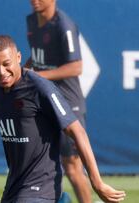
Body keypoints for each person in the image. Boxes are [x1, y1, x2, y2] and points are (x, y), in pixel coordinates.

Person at [0, 35, 125, 203]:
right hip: (14, 187)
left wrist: (96, 181)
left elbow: (76, 130)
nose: (2, 72)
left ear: (19, 57)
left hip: (41, 187)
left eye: (6, 64)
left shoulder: (40, 88)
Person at [25, 0, 91, 202]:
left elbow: (76, 67)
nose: (35, 0)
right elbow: (37, 57)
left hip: (68, 103)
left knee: (72, 167)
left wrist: (38, 76)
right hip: (44, 101)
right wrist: (21, 72)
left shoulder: (64, 25)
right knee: (46, 164)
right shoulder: (31, 21)